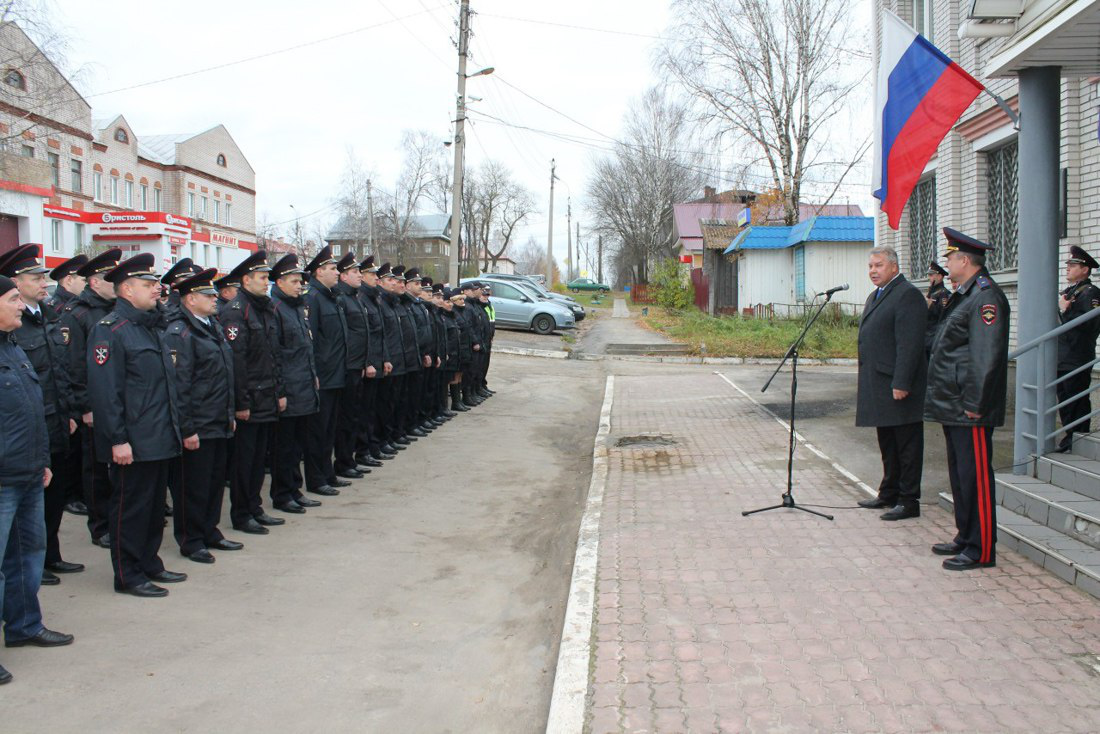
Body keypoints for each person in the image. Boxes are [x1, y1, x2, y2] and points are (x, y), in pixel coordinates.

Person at [88, 253, 188, 597]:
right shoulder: (111, 332)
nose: (156, 290)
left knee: (153, 508)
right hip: (132, 440)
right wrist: (117, 440)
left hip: (159, 435)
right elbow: (106, 393)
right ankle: (128, 574)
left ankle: (149, 563)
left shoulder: (151, 327)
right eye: (148, 285)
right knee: (130, 509)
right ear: (127, 290)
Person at [0, 274, 74, 684]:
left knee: (28, 554)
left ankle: (24, 625)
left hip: (29, 472)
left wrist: (43, 459)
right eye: (12, 299)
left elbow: (35, 410)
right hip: (3, 477)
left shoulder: (13, 348)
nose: (18, 306)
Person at [926, 228, 1010, 571]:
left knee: (975, 477)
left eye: (949, 257)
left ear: (964, 260)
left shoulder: (986, 298)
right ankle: (965, 535)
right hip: (954, 402)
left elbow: (986, 356)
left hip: (969, 405)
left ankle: (981, 548)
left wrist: (975, 403)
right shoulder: (966, 294)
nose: (946, 263)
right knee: (961, 475)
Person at [0, 245, 82, 585]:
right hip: (26, 429)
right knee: (30, 504)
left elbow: (60, 370)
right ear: (15, 282)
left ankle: (51, 554)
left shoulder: (48, 315)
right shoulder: (15, 326)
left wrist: (70, 411)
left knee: (55, 493)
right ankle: (37, 563)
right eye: (34, 278)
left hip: (54, 419)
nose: (43, 284)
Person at [164, 268, 242, 563]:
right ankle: (191, 538)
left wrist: (229, 412)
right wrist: (187, 428)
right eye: (208, 295)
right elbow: (180, 385)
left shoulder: (212, 325)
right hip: (197, 422)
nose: (214, 299)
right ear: (191, 298)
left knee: (212, 482)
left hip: (218, 418)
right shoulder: (180, 332)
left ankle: (210, 530)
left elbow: (225, 373)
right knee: (192, 487)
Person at [854, 246, 928, 521]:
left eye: (879, 265)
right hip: (879, 383)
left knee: (906, 445)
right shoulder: (878, 295)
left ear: (894, 267)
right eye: (871, 266)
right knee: (888, 442)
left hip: (898, 385)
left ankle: (909, 500)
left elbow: (909, 344)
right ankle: (889, 493)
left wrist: (902, 381)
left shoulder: (907, 295)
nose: (873, 271)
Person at [220, 251, 286, 535]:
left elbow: (274, 355)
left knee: (259, 458)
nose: (266, 283)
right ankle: (241, 513)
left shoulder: (265, 308)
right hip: (250, 400)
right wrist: (241, 402)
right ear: (246, 280)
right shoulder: (236, 311)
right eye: (262, 278)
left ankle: (255, 506)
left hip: (267, 396)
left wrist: (279, 391)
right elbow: (236, 362)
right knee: (244, 461)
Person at [60, 248, 122, 549]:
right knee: (97, 469)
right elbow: (74, 366)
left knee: (119, 467)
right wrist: (85, 407)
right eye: (111, 279)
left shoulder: (116, 310)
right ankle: (100, 526)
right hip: (94, 407)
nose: (118, 284)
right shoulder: (78, 315)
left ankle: (119, 518)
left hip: (119, 403)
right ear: (95, 283)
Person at [269, 253, 322, 514]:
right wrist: (280, 391)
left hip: (303, 385)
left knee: (297, 446)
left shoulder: (296, 308)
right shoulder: (276, 309)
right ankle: (282, 494)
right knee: (284, 447)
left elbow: (304, 348)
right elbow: (276, 355)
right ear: (279, 283)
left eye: (301, 281)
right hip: (288, 389)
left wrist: (313, 376)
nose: (300, 285)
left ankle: (295, 490)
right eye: (294, 281)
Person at [44, 253, 89, 517]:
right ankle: (71, 495)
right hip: (65, 389)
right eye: (83, 278)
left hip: (68, 389)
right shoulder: (61, 308)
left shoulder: (74, 305)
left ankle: (76, 492)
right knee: (71, 450)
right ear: (69, 279)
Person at [303, 245, 348, 495]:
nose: (337, 273)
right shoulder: (313, 298)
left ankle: (327, 473)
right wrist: (316, 374)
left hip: (336, 373)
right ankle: (316, 478)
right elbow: (312, 341)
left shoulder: (333, 296)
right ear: (319, 272)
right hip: (323, 375)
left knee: (330, 429)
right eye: (333, 269)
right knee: (317, 432)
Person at [1055, 246, 1100, 453]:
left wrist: (1065, 309)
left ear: (1085, 269)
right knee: (1065, 399)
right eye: (1069, 265)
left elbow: (1088, 325)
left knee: (1076, 399)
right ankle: (1070, 436)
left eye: (1073, 265)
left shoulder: (1091, 294)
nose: (1068, 268)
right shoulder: (1071, 292)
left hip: (1077, 356)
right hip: (1063, 356)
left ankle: (1077, 437)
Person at [333, 253, 370, 479]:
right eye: (355, 272)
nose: (360, 276)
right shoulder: (341, 299)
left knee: (354, 416)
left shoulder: (355, 297)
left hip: (358, 366)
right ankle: (343, 462)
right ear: (344, 276)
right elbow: (343, 337)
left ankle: (349, 460)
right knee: (345, 419)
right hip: (346, 367)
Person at [355, 255, 390, 466]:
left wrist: (384, 358)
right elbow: (363, 337)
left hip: (377, 361)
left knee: (374, 409)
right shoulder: (362, 298)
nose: (375, 278)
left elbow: (380, 334)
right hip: (367, 364)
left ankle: (372, 446)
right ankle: (363, 450)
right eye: (371, 274)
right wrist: (367, 362)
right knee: (364, 411)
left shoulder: (374, 299)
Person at [374, 263, 407, 456]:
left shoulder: (392, 302)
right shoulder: (380, 301)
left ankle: (389, 437)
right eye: (391, 279)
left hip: (397, 359)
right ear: (380, 282)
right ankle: (380, 441)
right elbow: (381, 335)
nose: (395, 283)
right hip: (387, 362)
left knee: (393, 402)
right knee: (383, 406)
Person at [925, 260, 950, 359]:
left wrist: (930, 305)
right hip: (926, 336)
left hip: (934, 337)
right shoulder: (931, 291)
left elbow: (943, 315)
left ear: (939, 276)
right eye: (929, 275)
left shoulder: (943, 293)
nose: (929, 278)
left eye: (931, 275)